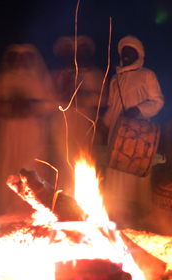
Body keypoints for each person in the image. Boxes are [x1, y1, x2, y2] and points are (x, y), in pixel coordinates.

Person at [98, 35, 164, 226]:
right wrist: (103, 124)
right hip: (117, 134)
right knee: (116, 173)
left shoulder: (147, 74)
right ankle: (117, 215)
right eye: (123, 50)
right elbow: (113, 107)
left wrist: (139, 110)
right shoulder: (115, 78)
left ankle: (140, 217)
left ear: (139, 54)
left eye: (130, 50)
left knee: (137, 172)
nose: (126, 53)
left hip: (139, 134)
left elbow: (158, 101)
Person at [0, 44, 57, 214]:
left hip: (32, 133)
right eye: (16, 57)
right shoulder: (0, 79)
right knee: (8, 168)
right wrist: (10, 107)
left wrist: (30, 106)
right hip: (9, 133)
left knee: (32, 169)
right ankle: (9, 212)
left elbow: (52, 104)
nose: (20, 61)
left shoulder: (41, 80)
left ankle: (32, 211)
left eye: (25, 57)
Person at [50, 35, 108, 196]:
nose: (75, 54)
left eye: (83, 51)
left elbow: (104, 99)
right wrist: (64, 97)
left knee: (86, 159)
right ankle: (63, 199)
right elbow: (48, 99)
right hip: (62, 124)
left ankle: (86, 200)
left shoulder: (96, 74)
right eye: (68, 51)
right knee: (63, 161)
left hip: (86, 123)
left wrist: (84, 97)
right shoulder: (55, 75)